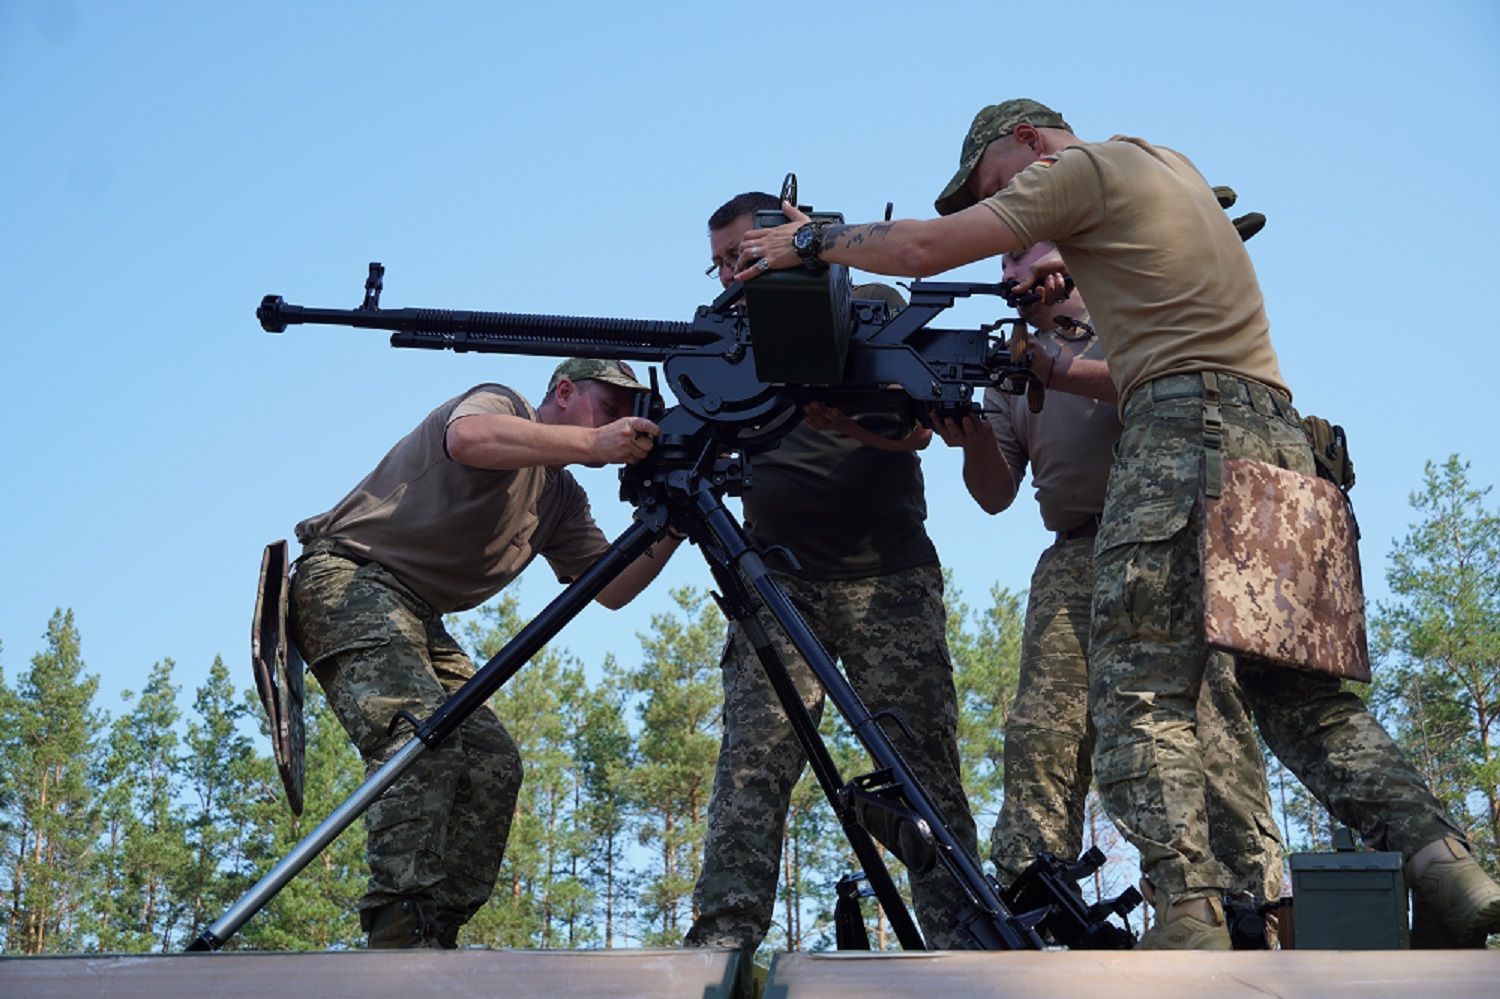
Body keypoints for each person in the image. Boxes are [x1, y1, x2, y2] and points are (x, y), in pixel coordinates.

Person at [737, 99, 1500, 949]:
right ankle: (1448, 867)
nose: (1006, 208)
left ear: (1028, 142)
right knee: (1304, 697)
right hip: (1279, 437)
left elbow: (921, 249)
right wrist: (1035, 365)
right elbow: (1133, 363)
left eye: (997, 185)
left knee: (1138, 691)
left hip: (1185, 434)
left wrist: (809, 242)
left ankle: (1192, 915)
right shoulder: (1171, 173)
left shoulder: (1081, 170)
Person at [933, 240, 1283, 922]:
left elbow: (1172, 386)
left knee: (1202, 716)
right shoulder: (1007, 367)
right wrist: (972, 431)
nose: (1009, 275)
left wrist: (1056, 363)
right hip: (1075, 549)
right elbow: (994, 492)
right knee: (1042, 725)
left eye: (1022, 256)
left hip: (1170, 535)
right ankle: (1037, 884)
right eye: (1000, 265)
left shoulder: (1133, 317)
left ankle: (1250, 894)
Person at [290, 358, 682, 948]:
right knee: (415, 736)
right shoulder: (501, 405)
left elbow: (614, 588)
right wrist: (592, 444)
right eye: (609, 409)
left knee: (491, 761)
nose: (621, 425)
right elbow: (466, 438)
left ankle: (436, 929)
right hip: (348, 576)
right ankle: (399, 921)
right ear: (565, 392)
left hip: (417, 614)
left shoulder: (561, 498)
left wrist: (676, 518)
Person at [684, 192, 978, 954]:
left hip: (888, 579)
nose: (728, 274)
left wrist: (842, 414)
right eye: (718, 262)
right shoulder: (719, 336)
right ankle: (726, 936)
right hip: (779, 584)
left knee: (921, 763)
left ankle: (960, 936)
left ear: (782, 237)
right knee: (754, 760)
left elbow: (920, 427)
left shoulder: (868, 297)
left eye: (739, 255)